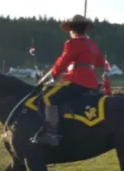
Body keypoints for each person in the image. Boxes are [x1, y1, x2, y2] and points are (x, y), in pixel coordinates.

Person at [33, 14, 105, 146]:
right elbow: (100, 62)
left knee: (48, 98)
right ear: (85, 29)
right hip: (92, 83)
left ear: (72, 30)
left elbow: (61, 64)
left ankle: (51, 134)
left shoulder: (72, 43)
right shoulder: (93, 45)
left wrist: (45, 79)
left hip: (77, 81)